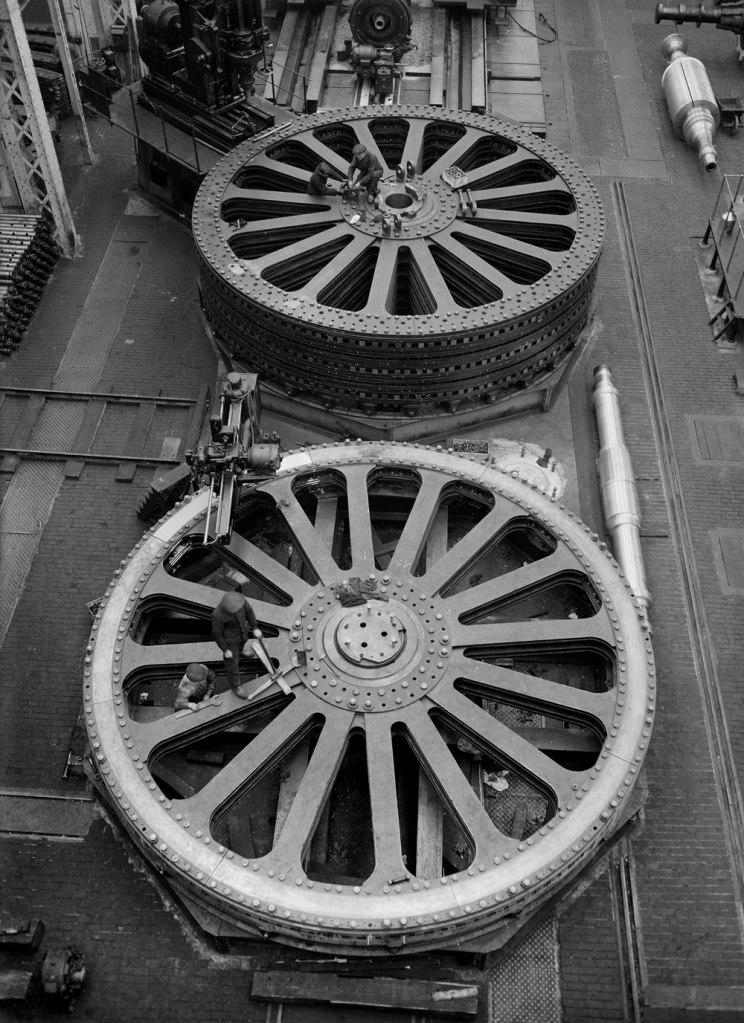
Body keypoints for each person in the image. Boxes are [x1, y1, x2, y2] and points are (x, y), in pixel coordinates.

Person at [211, 591, 262, 699]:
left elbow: (249, 612)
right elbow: (217, 634)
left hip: (242, 632)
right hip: (231, 641)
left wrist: (254, 627)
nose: (239, 608)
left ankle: (240, 652)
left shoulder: (239, 600)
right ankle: (236, 686)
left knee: (242, 645)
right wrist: (225, 650)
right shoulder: (218, 615)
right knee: (232, 665)